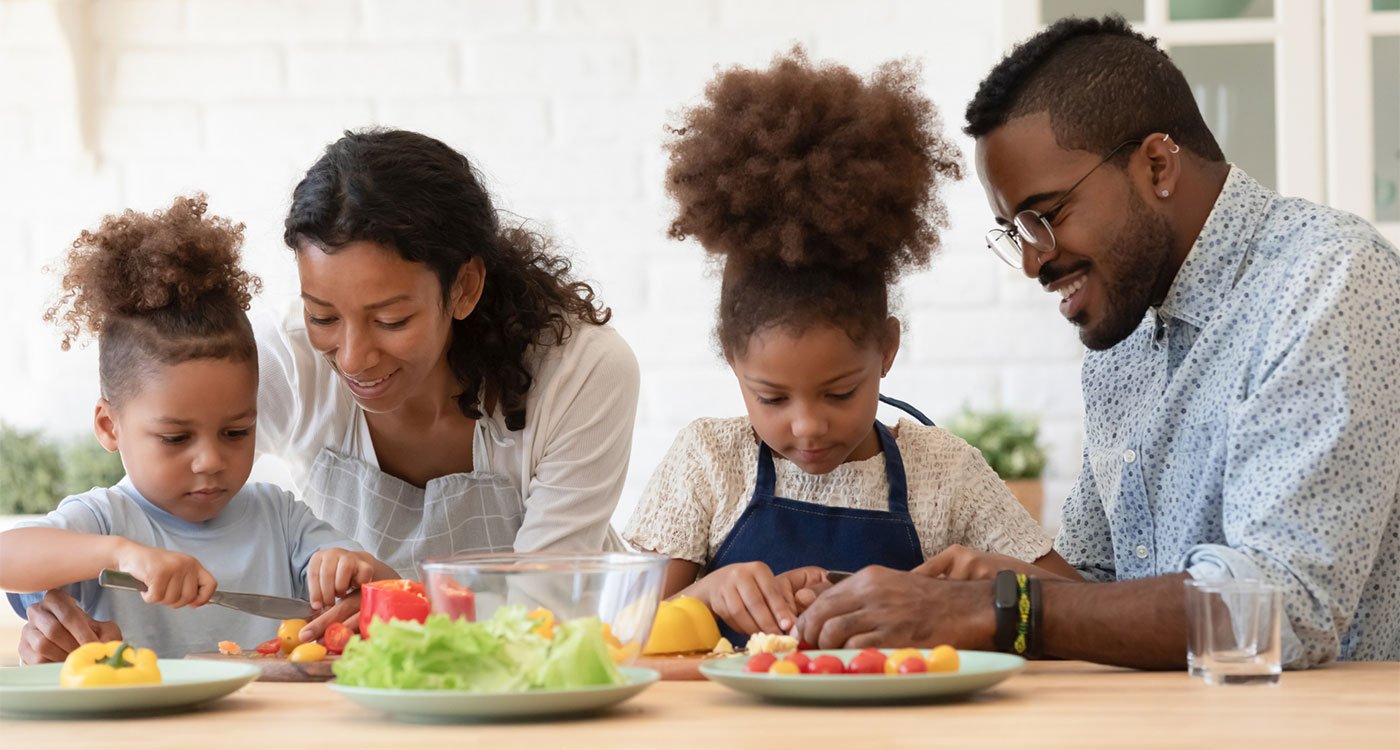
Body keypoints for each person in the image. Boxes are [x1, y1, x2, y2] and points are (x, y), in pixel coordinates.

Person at [793, 16, 1400, 668]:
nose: (1032, 263)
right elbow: (1103, 593)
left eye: (1045, 218)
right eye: (1015, 233)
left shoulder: (1329, 279)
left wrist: (998, 608)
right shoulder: (1126, 340)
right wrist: (973, 589)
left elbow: (1284, 609)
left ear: (1157, 165)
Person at [15, 129, 641, 663]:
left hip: (542, 663)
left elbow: (550, 597)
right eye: (322, 316)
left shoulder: (582, 371)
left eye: (392, 320)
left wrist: (392, 603)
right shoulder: (282, 363)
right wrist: (57, 604)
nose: (353, 357)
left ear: (465, 287)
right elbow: (170, 466)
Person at [624, 49, 1078, 645]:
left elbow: (1088, 608)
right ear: (733, 362)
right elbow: (616, 632)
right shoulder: (709, 464)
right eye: (772, 397)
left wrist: (998, 587)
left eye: (840, 391)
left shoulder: (944, 475)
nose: (808, 425)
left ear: (887, 349)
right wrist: (702, 595)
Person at [0, 196, 396, 658]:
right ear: (110, 426)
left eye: (236, 432)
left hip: (268, 726)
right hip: (139, 726)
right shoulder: (106, 521)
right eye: (175, 438)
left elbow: (389, 588)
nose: (210, 461)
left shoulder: (281, 519)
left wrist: (353, 569)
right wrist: (120, 555)